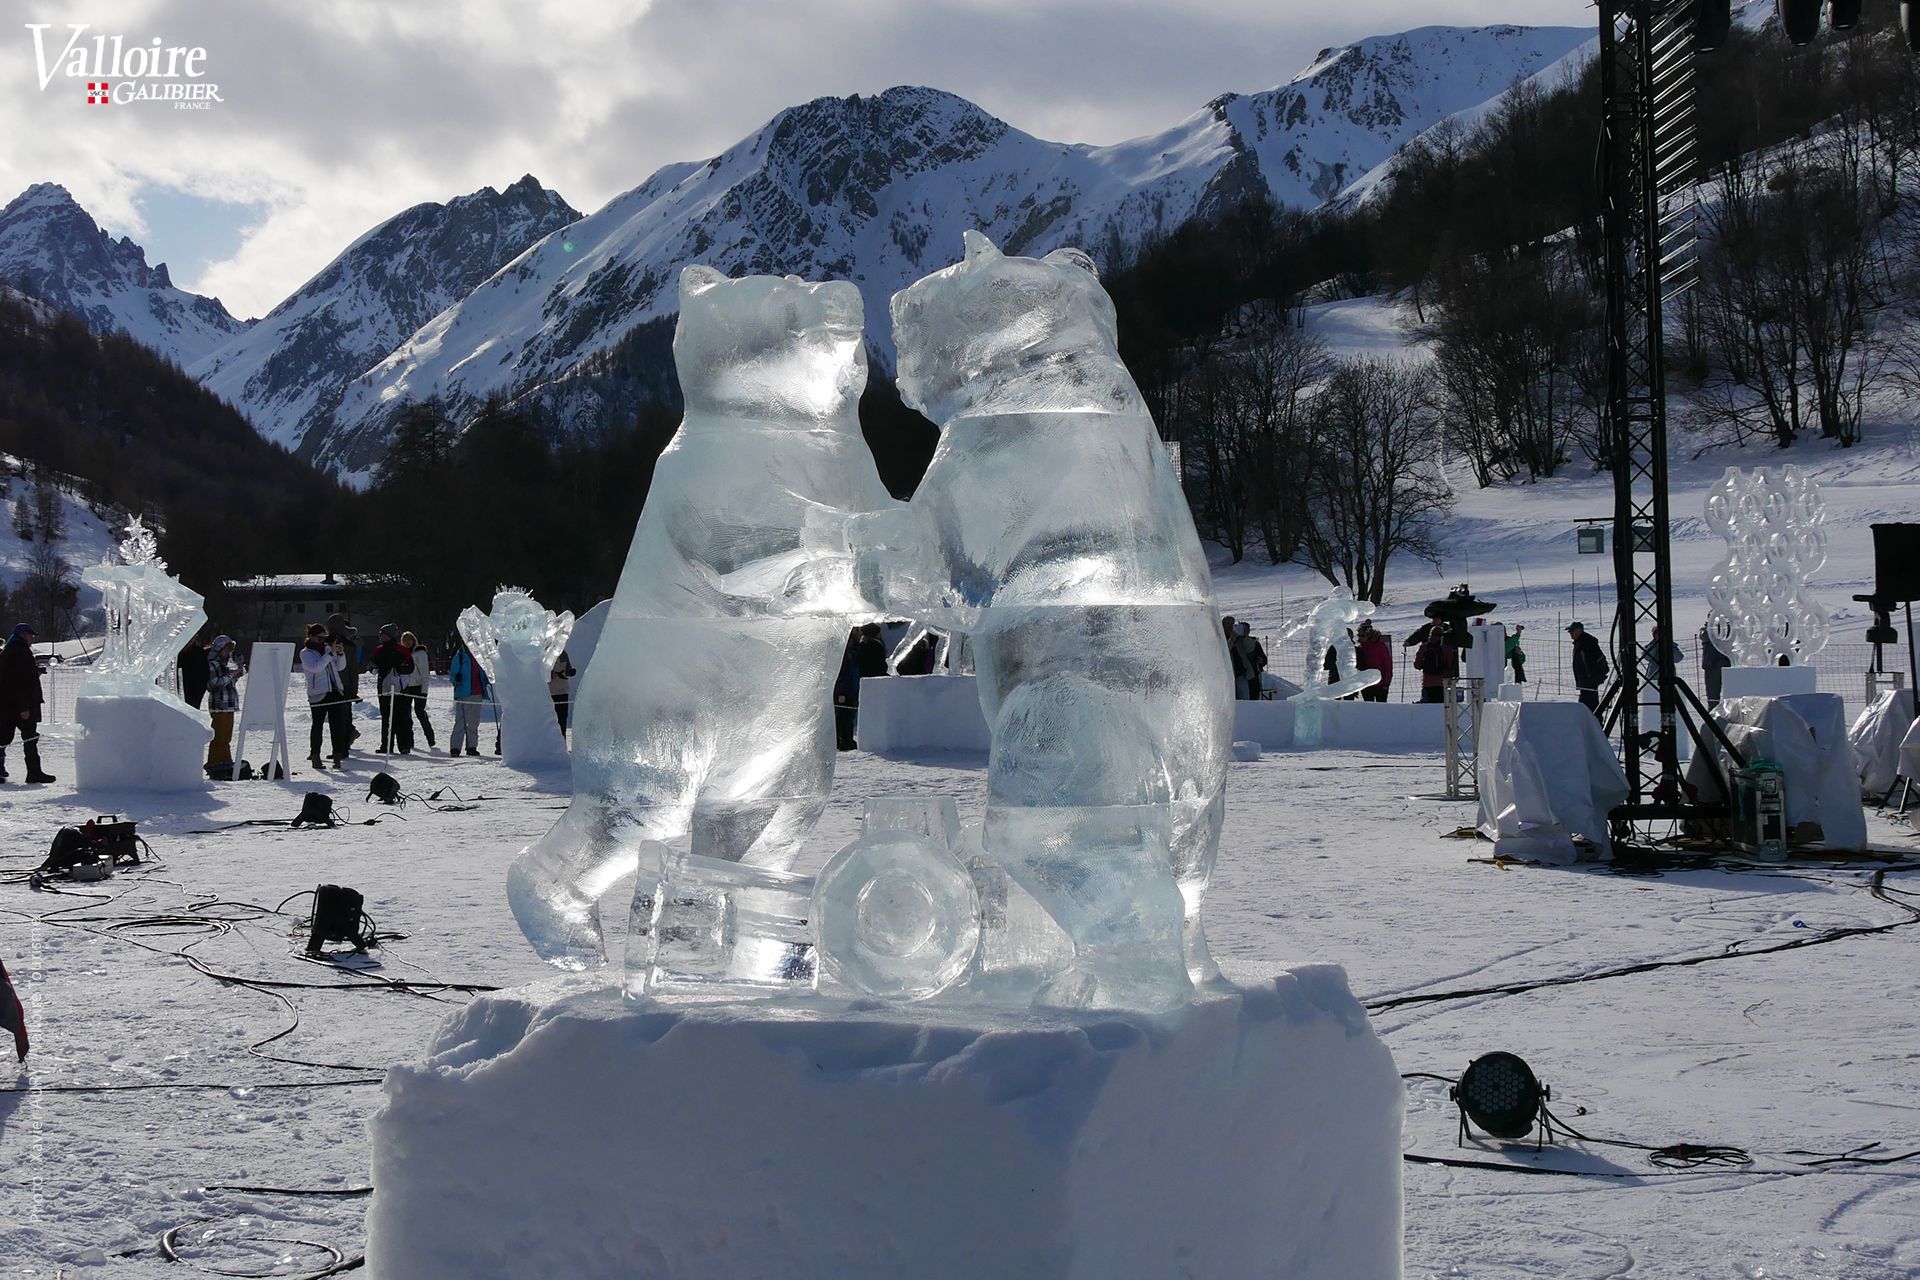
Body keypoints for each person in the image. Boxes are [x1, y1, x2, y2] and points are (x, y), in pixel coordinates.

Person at [1, 622, 54, 784]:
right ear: (24, 635)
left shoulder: (9, 650)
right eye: (30, 635)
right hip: (22, 706)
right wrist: (24, 707)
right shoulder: (21, 652)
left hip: (6, 704)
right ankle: (34, 773)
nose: (32, 638)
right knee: (30, 738)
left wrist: (34, 672)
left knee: (3, 738)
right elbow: (19, 683)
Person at [301, 622, 352, 768]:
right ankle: (315, 755)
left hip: (335, 691)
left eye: (325, 637)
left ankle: (337, 755)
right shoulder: (305, 653)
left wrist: (340, 653)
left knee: (337, 726)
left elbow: (340, 666)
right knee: (317, 725)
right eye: (319, 637)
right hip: (318, 693)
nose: (322, 640)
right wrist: (330, 654)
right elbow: (316, 668)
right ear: (310, 637)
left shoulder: (327, 649)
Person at [204, 635, 246, 777]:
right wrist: (232, 674)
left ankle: (225, 763)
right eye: (226, 650)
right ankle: (214, 764)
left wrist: (239, 669)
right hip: (219, 704)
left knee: (226, 737)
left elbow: (233, 677)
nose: (228, 653)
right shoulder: (212, 664)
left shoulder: (225, 665)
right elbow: (214, 683)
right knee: (219, 737)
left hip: (229, 705)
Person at [370, 623, 414, 754]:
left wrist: (399, 669)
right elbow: (372, 667)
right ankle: (386, 745)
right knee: (386, 717)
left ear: (388, 635)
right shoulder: (378, 650)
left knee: (401, 716)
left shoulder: (402, 650)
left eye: (382, 634)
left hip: (400, 687)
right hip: (383, 687)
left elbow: (410, 668)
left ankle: (404, 745)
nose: (380, 636)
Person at [446, 639, 490, 756]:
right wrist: (457, 678)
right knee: (460, 721)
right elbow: (453, 676)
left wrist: (487, 679)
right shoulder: (459, 657)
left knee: (473, 722)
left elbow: (484, 673)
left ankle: (471, 747)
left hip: (477, 692)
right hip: (463, 693)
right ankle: (455, 748)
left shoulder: (479, 657)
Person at [400, 630, 436, 750]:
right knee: (406, 714)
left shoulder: (420, 653)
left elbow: (425, 673)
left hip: (419, 687)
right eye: (405, 640)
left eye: (409, 640)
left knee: (419, 712)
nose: (407, 642)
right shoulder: (402, 654)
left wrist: (424, 691)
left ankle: (430, 738)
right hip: (406, 687)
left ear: (414, 641)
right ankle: (409, 741)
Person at [1568, 621, 1609, 716]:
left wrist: (1599, 674)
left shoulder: (1587, 642)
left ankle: (1595, 723)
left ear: (1579, 630)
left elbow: (1600, 658)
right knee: (1587, 704)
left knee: (1589, 704)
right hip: (1585, 680)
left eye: (1572, 631)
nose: (1570, 633)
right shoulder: (1579, 643)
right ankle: (1591, 722)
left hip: (1590, 680)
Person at [1414, 620, 1458, 703]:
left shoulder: (1424, 647)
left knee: (1428, 710)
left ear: (1430, 635)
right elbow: (1450, 666)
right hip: (1443, 684)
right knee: (1443, 709)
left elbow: (1417, 665)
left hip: (1427, 683)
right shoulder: (1447, 649)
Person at [1356, 621, 1392, 702]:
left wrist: (1386, 683)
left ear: (1368, 635)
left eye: (1362, 635)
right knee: (1369, 708)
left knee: (1381, 708)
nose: (1359, 637)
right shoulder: (1360, 648)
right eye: (1358, 635)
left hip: (1380, 684)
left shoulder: (1380, 646)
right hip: (1366, 684)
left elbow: (1387, 665)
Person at [1232, 622, 1267, 700]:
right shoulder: (1234, 642)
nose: (1245, 631)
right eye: (1243, 629)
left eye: (1247, 629)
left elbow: (1264, 659)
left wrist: (1261, 660)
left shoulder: (1254, 643)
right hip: (1240, 674)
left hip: (1253, 674)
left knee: (1254, 695)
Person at [177, 635, 211, 709]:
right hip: (176, 693)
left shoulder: (199, 653)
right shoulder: (175, 652)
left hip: (194, 694)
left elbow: (205, 674)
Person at [1700, 628, 1731, 706]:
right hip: (1711, 665)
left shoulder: (1728, 628)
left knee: (1730, 696)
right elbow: (1704, 637)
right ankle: (1711, 715)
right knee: (1712, 697)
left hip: (1725, 663)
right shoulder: (1706, 631)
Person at [550, 651, 577, 737]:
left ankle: (562, 741)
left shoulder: (564, 654)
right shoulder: (544, 654)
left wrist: (570, 672)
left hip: (562, 691)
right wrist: (552, 674)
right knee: (550, 719)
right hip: (549, 692)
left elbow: (567, 670)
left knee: (562, 718)